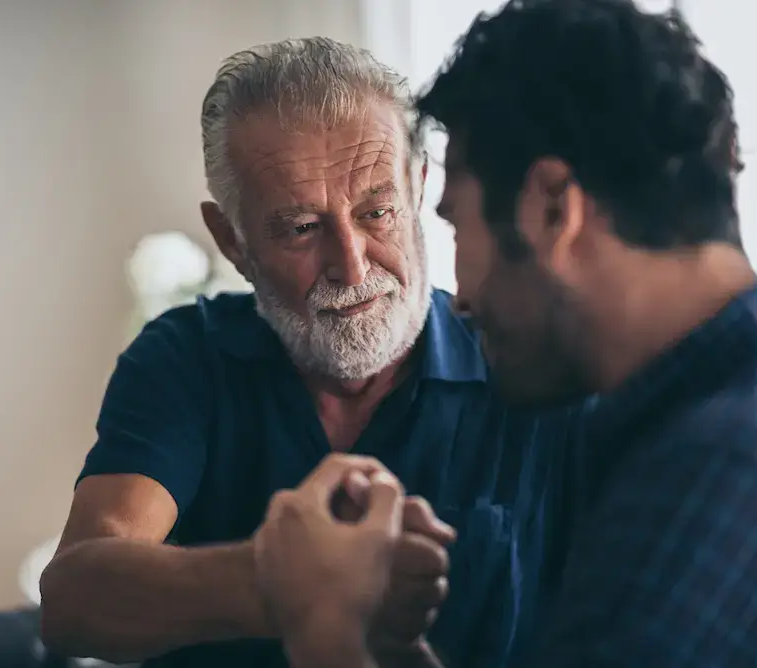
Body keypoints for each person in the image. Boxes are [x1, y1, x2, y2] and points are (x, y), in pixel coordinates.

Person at [252, 1, 757, 667]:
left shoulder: (713, 477)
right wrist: (387, 645)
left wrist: (321, 620)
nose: (463, 300)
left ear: (550, 208)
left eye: (457, 226)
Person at [39, 37, 569, 668]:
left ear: (420, 185)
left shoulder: (532, 367)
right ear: (232, 240)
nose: (351, 265)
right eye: (301, 228)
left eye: (376, 212)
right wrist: (282, 586)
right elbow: (72, 599)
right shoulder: (187, 358)